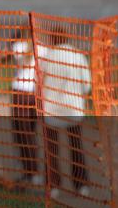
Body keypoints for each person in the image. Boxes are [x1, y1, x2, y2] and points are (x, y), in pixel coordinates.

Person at [38, 27, 91, 199]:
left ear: (53, 38)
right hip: (73, 108)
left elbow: (39, 81)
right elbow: (87, 85)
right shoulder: (78, 56)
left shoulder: (48, 56)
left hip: (52, 109)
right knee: (76, 147)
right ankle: (81, 185)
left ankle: (53, 186)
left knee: (52, 150)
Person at [8, 29, 42, 188]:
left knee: (21, 135)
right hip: (35, 94)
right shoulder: (41, 48)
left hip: (20, 93)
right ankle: (33, 173)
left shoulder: (18, 45)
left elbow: (4, 56)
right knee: (31, 135)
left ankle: (29, 172)